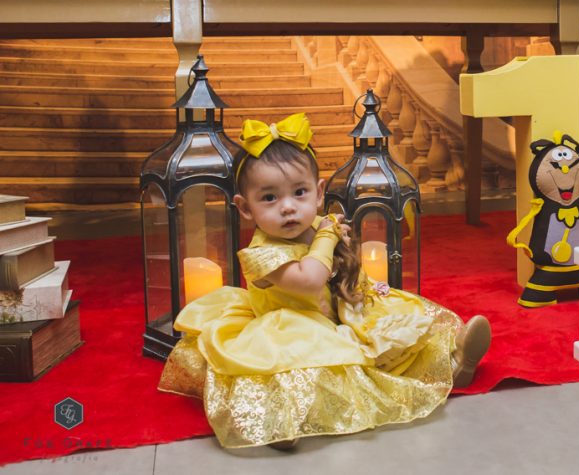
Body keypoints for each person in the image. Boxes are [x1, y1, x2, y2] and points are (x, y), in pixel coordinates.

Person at [157, 113, 491, 450]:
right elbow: (310, 279)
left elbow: (337, 268)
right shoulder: (260, 254)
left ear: (318, 193)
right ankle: (278, 419)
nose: (288, 207)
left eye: (299, 192)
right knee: (303, 362)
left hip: (334, 314)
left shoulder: (316, 226)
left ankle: (453, 360)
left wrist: (359, 288)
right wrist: (328, 237)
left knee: (393, 320)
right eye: (270, 198)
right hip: (291, 326)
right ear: (245, 209)